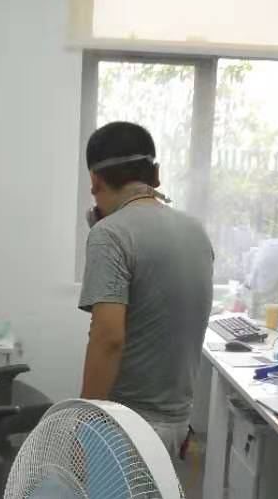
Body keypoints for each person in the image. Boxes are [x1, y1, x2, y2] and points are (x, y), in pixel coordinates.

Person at [79, 121, 214, 458]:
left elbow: (108, 339)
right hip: (177, 424)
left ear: (95, 180)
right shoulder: (195, 231)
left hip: (127, 428)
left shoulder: (110, 235)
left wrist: (84, 424)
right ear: (155, 175)